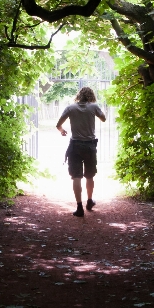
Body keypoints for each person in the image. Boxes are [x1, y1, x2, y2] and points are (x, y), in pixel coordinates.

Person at [56, 86, 106, 217]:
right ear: (91, 96)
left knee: (76, 176)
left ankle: (79, 207)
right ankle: (89, 201)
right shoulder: (93, 107)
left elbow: (58, 124)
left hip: (75, 146)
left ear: (79, 95)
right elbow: (104, 118)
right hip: (90, 146)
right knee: (89, 175)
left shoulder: (70, 108)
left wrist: (62, 131)